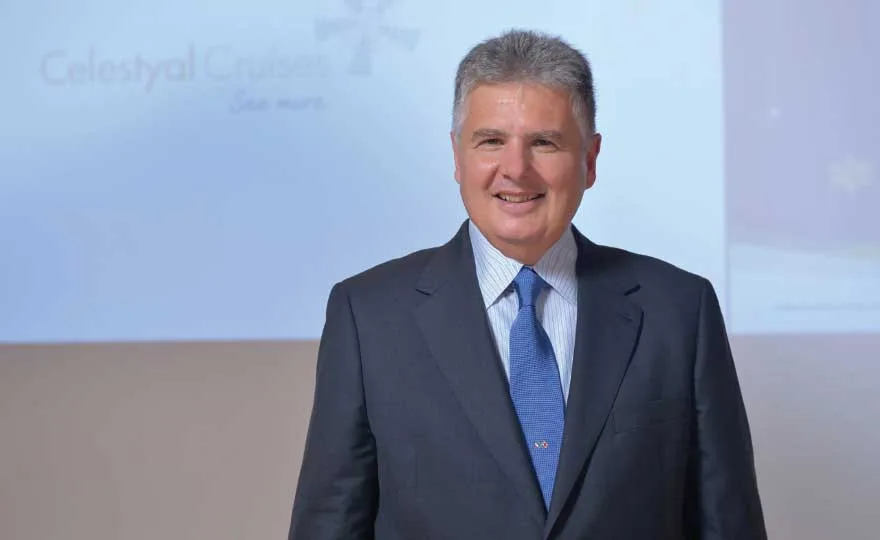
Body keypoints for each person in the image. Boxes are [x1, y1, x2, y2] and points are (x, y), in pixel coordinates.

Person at [288, 29, 767, 539]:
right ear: (457, 156)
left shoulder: (680, 311)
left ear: (589, 160)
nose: (515, 170)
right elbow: (329, 525)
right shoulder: (368, 316)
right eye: (491, 141)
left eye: (544, 142)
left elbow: (728, 524)